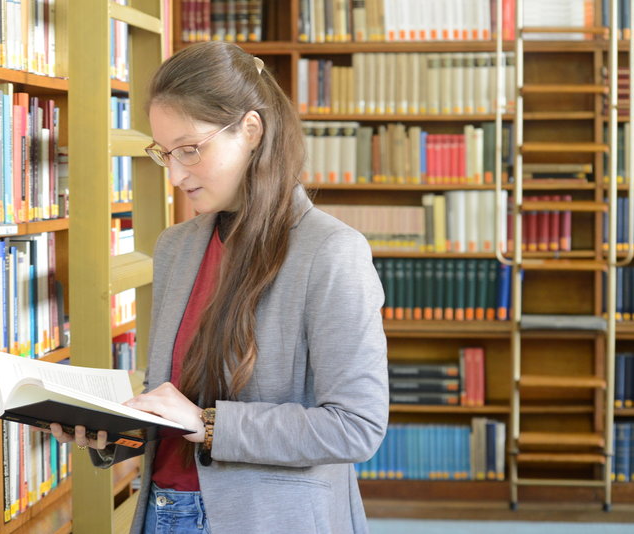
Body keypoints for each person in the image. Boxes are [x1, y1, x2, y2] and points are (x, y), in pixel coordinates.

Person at [50, 41, 388, 534]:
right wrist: (115, 432)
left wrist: (210, 426)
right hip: (163, 512)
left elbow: (356, 427)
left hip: (265, 519)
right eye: (164, 153)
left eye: (190, 149)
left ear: (250, 130)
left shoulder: (332, 251)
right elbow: (173, 404)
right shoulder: (175, 248)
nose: (175, 174)